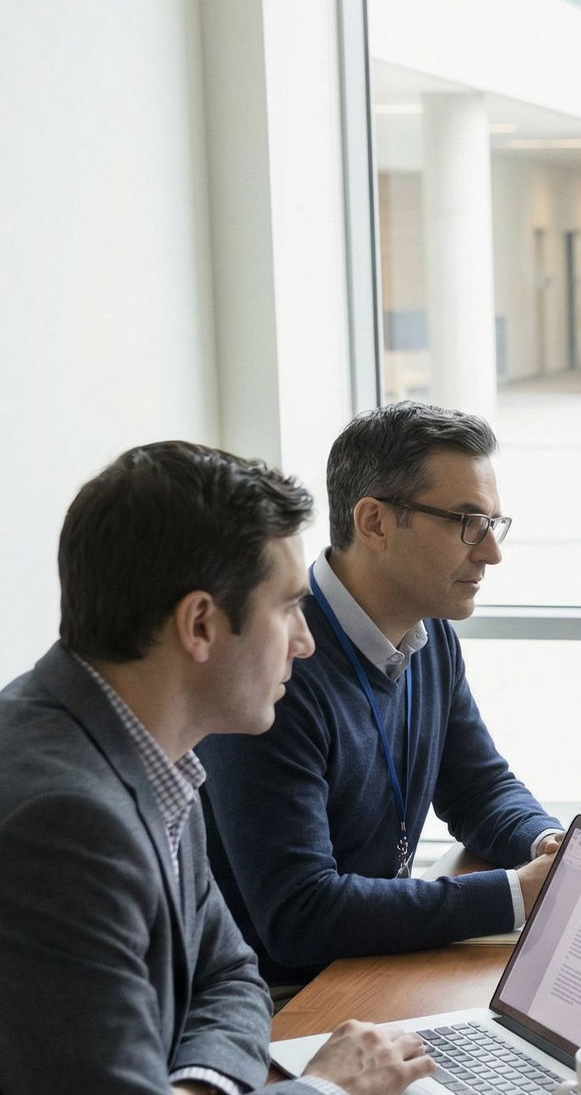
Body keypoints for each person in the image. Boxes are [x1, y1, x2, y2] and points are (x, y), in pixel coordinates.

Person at [0, 442, 433, 1095]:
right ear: (200, 625)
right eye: (288, 609)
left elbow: (231, 975)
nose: (306, 643)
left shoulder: (144, 747)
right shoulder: (64, 819)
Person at [200, 402, 562, 990]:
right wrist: (513, 893)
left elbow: (479, 787)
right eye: (468, 521)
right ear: (373, 523)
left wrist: (545, 841)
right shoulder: (275, 666)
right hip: (284, 1000)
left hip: (373, 965)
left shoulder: (430, 632)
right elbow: (300, 916)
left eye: (494, 523)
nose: (491, 551)